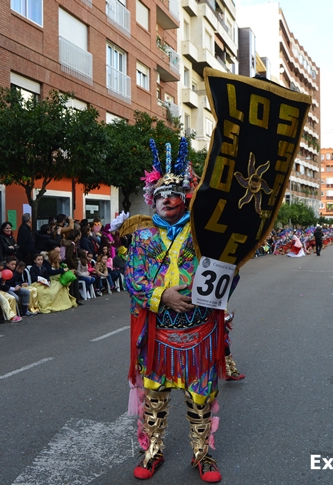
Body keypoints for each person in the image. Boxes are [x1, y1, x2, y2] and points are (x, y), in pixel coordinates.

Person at [126, 140, 224, 482]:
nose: (168, 199)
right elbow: (133, 278)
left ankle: (202, 453)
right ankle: (153, 450)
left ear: (186, 197)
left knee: (200, 397)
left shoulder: (204, 233)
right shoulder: (142, 237)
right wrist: (163, 296)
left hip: (200, 331)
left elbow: (227, 269)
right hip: (158, 334)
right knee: (154, 398)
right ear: (152, 198)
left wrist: (216, 289)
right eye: (162, 194)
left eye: (175, 193)